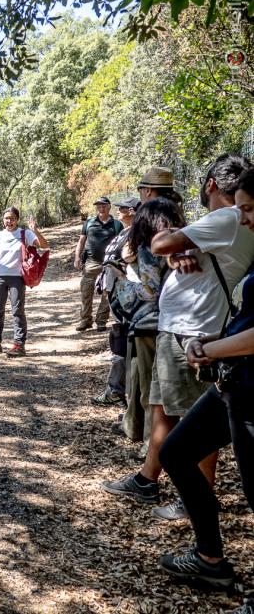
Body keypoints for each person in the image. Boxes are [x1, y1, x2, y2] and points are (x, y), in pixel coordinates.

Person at [102, 155, 254, 522]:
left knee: (192, 414)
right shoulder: (232, 223)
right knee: (163, 407)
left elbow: (160, 243)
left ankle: (197, 497)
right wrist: (180, 254)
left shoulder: (227, 217)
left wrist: (174, 248)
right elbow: (177, 250)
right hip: (181, 325)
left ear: (211, 185)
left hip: (195, 329)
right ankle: (147, 479)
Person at [156, 171, 254, 603]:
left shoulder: (232, 227)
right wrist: (215, 344)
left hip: (251, 384)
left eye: (248, 208)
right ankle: (209, 558)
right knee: (176, 450)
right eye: (240, 207)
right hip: (236, 377)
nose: (241, 216)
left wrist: (212, 348)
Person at [108, 198, 184, 451]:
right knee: (143, 380)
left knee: (151, 385)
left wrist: (120, 284)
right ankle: (137, 429)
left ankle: (152, 442)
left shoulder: (150, 245)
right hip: (169, 320)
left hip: (149, 320)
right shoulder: (183, 240)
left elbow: (149, 290)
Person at [0, 207, 49, 357]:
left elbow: (44, 245)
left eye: (12, 218)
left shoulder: (24, 233)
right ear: (3, 220)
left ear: (17, 219)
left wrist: (35, 230)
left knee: (17, 311)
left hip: (17, 278)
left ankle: (19, 345)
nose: (9, 221)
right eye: (7, 218)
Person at [91, 195, 140, 407]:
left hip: (131, 296)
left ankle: (118, 391)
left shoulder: (139, 233)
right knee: (120, 338)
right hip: (118, 293)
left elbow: (130, 260)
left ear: (132, 211)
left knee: (124, 341)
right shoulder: (125, 230)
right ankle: (117, 390)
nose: (119, 210)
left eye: (123, 207)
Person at [75, 196, 123, 332]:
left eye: (103, 206)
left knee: (107, 293)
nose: (100, 208)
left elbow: (121, 242)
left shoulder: (117, 225)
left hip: (109, 263)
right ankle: (85, 320)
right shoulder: (89, 223)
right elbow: (81, 241)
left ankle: (101, 321)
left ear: (109, 207)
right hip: (91, 262)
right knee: (86, 292)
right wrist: (77, 257)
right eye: (98, 206)